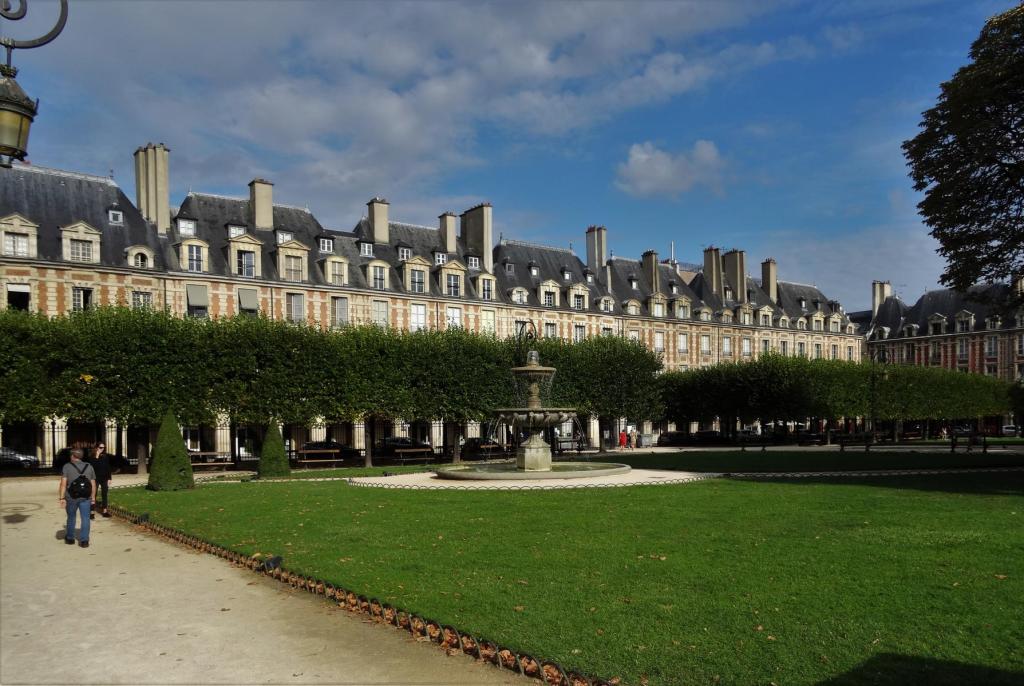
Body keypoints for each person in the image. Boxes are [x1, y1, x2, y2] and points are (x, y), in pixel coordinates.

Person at [59, 448, 96, 548]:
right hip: (86, 497)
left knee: (71, 517)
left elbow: (63, 484)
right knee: (85, 518)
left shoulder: (67, 466)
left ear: (72, 456)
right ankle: (84, 541)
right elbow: (93, 484)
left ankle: (70, 538)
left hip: (71, 497)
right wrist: (93, 497)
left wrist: (62, 498)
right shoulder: (89, 466)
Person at [85, 442, 113, 519]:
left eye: (103, 448)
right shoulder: (91, 457)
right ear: (97, 448)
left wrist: (109, 478)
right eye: (101, 447)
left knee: (105, 494)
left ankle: (105, 511)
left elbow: (108, 468)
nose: (102, 449)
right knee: (93, 495)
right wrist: (97, 456)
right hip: (95, 478)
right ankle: (92, 512)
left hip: (104, 478)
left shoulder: (105, 457)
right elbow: (91, 467)